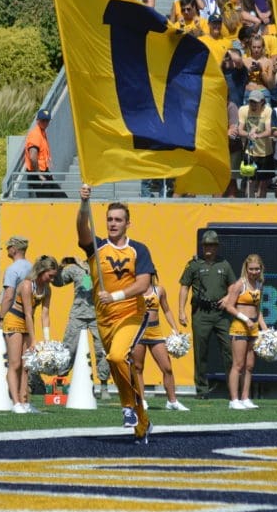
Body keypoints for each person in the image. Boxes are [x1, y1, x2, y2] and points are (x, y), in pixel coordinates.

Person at [76, 185, 154, 444]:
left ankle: (127, 407)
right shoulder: (97, 248)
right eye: (109, 219)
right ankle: (142, 421)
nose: (112, 223)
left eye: (118, 219)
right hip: (105, 319)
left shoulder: (138, 249)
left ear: (128, 223)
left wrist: (116, 296)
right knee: (118, 365)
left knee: (118, 355)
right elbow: (81, 229)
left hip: (131, 314)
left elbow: (143, 285)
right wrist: (83, 204)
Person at [178, 230, 237, 399]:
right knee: (200, 352)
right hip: (201, 313)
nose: (208, 248)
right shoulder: (194, 265)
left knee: (228, 350)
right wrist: (181, 311)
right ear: (202, 246)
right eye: (206, 245)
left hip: (221, 314)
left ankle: (232, 389)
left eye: (212, 245)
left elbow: (233, 287)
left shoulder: (224, 264)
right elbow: (184, 287)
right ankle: (202, 390)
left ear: (216, 246)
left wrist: (227, 297)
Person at [1, 255, 57, 414]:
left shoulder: (47, 289)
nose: (51, 279)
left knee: (27, 365)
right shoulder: (27, 285)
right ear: (41, 271)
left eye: (54, 276)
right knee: (15, 363)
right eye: (50, 275)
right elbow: (27, 313)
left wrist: (47, 340)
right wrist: (33, 340)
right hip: (14, 320)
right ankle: (16, 402)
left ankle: (25, 401)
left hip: (28, 322)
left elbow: (45, 314)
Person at [53, 257, 111, 400]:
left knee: (102, 350)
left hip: (98, 314)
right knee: (68, 348)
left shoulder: (103, 267)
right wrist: (60, 267)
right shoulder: (74, 268)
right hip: (78, 314)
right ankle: (59, 384)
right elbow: (58, 282)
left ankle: (104, 387)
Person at [133, 274, 188, 411]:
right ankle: (141, 400)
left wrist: (175, 328)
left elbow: (167, 310)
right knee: (138, 368)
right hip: (138, 332)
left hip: (155, 332)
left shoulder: (159, 290)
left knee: (167, 368)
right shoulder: (133, 290)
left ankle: (172, 401)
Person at [221, 254, 269, 410]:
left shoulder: (260, 284)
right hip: (240, 328)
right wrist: (244, 319)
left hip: (253, 328)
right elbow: (229, 306)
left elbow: (258, 309)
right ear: (246, 269)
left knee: (249, 365)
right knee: (238, 364)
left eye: (257, 269)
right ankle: (233, 400)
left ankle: (245, 397)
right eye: (251, 269)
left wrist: (265, 329)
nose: (254, 272)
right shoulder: (239, 284)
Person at [238, 89, 275, 198]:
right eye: (251, 101)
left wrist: (257, 136)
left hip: (265, 152)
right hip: (249, 153)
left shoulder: (268, 110)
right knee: (250, 182)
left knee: (263, 184)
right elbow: (240, 130)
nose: (252, 104)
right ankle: (249, 207)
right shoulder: (243, 110)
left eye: (255, 102)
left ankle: (262, 210)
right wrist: (249, 134)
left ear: (262, 102)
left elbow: (268, 131)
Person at [23, 109, 66, 198]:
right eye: (43, 120)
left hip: (44, 173)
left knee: (62, 198)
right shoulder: (35, 134)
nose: (45, 123)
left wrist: (48, 173)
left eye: (47, 120)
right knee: (46, 202)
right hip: (37, 175)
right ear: (37, 120)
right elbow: (32, 156)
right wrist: (39, 175)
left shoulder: (42, 132)